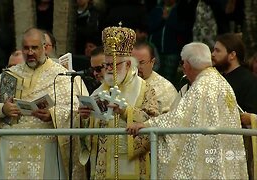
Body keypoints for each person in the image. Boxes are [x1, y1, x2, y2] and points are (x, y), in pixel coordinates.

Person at [127, 42, 248, 179]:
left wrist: (147, 125)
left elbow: (178, 118)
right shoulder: (219, 81)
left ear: (187, 64)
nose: (183, 67)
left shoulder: (201, 86)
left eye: (182, 63)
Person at [0, 28, 86, 179]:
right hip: (10, 145)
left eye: (34, 47)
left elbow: (77, 109)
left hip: (46, 147)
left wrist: (53, 115)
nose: (30, 52)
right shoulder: (10, 73)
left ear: (45, 47)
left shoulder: (61, 74)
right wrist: (2, 109)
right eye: (26, 48)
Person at [78, 26, 159, 179]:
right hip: (104, 161)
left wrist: (125, 111)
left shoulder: (145, 89)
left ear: (128, 64)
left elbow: (154, 121)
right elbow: (88, 135)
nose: (108, 69)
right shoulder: (99, 91)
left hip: (133, 161)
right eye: (106, 65)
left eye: (113, 65)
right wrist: (85, 117)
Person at [211, 33, 257, 179]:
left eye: (218, 51)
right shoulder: (216, 78)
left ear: (232, 55)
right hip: (217, 143)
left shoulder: (248, 80)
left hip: (238, 145)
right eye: (213, 50)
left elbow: (249, 114)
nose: (213, 54)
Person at [132, 41, 177, 114]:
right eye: (133, 62)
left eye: (141, 63)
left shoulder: (166, 89)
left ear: (152, 62)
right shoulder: (121, 82)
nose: (136, 67)